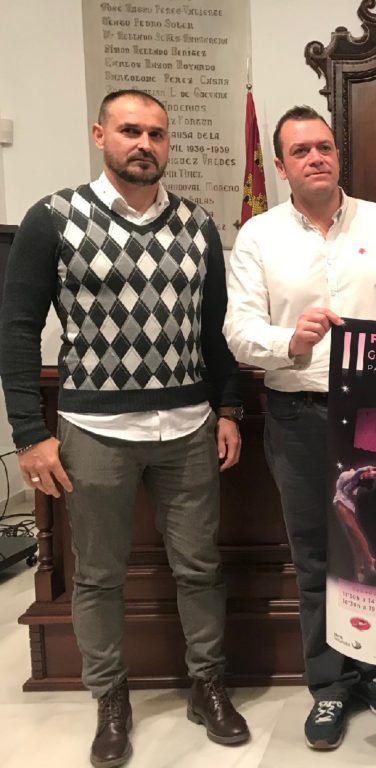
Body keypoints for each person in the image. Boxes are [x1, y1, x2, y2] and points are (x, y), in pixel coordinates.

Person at [0, 89, 249, 768]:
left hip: (189, 428)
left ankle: (207, 685)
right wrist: (28, 432)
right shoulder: (54, 217)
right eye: (130, 131)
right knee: (98, 575)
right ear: (100, 135)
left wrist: (229, 408)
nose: (144, 144)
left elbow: (214, 333)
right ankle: (110, 697)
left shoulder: (197, 224)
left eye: (157, 134)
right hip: (93, 430)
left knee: (200, 568)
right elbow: (17, 331)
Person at [224, 105, 376, 750]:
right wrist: (291, 340)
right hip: (299, 415)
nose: (316, 157)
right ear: (280, 165)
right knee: (315, 555)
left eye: (324, 147)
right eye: (300, 151)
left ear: (338, 155)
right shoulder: (258, 235)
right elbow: (238, 331)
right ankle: (330, 685)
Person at [333, 462, 376, 583]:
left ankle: (363, 566)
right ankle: (367, 561)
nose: (372, 473)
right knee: (355, 533)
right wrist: (368, 468)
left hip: (348, 505)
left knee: (355, 536)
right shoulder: (349, 475)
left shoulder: (364, 475)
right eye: (369, 473)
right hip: (341, 502)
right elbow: (358, 473)